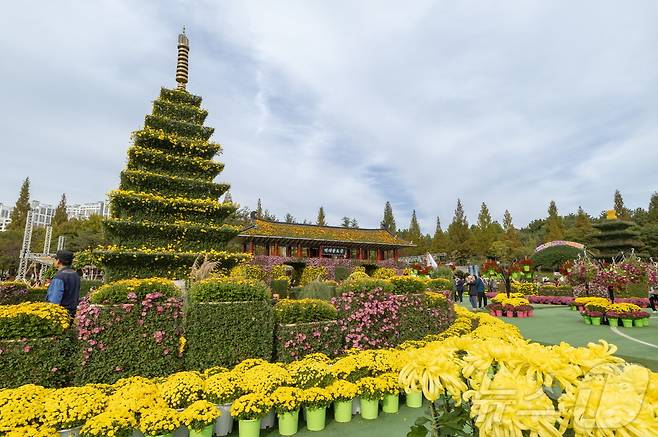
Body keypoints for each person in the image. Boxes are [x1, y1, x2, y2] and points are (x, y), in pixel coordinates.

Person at [46, 250, 81, 317]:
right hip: (72, 312)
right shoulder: (75, 275)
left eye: (55, 259)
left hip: (60, 313)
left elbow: (55, 300)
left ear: (58, 261)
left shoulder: (60, 276)